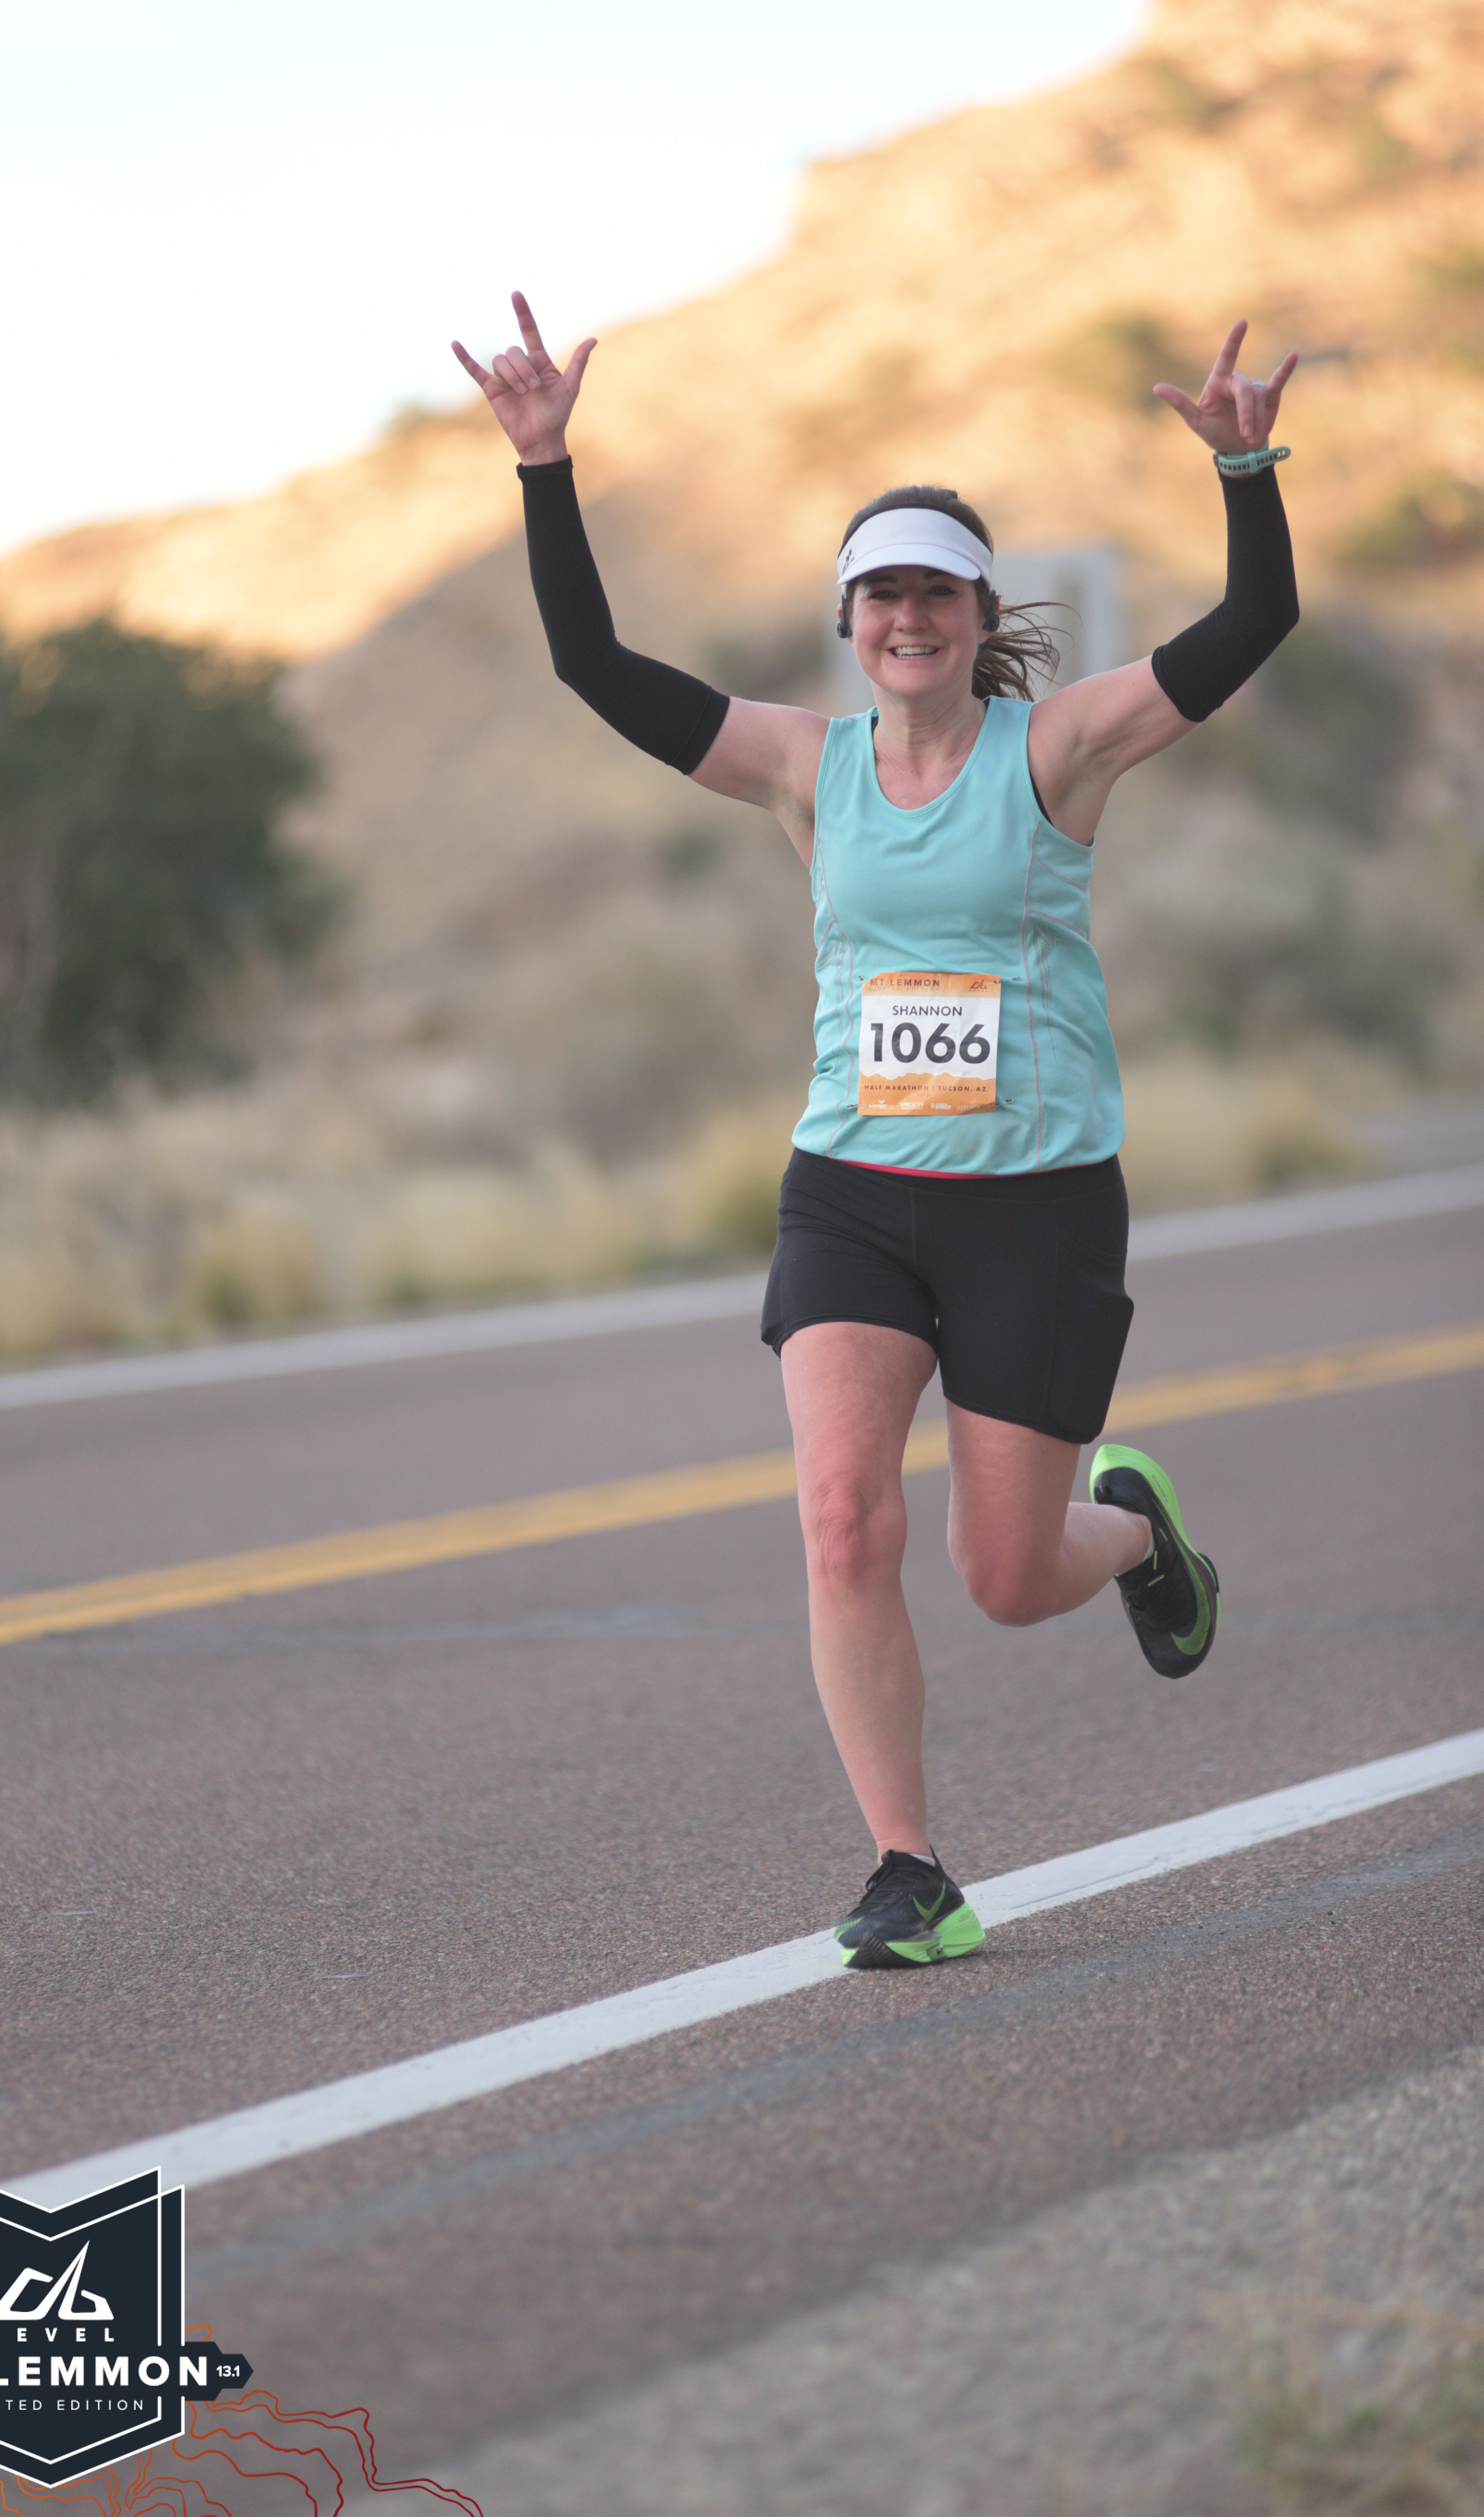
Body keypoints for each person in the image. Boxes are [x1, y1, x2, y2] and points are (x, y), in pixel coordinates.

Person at [452, 295, 1299, 1970]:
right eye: (881, 594)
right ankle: (909, 1869)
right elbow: (592, 667)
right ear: (848, 621)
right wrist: (545, 468)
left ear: (976, 616)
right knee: (843, 1521)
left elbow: (1253, 621)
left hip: (1033, 1205)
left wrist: (1244, 470)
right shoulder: (801, 765)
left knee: (1006, 1575)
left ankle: (1137, 1533)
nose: (908, 617)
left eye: (935, 592)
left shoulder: (1058, 748)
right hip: (848, 1191)